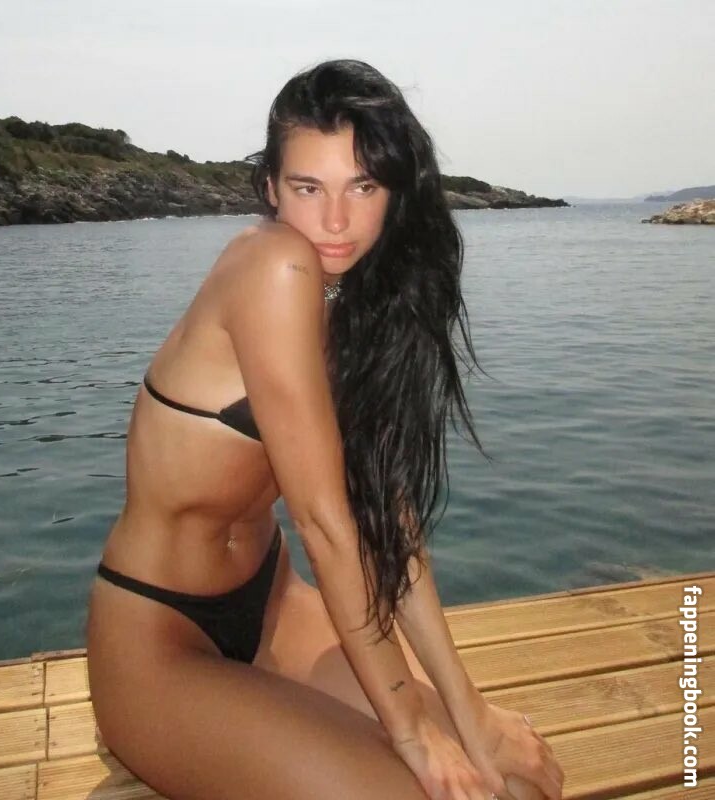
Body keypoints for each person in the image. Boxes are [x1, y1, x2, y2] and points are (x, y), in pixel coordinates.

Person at [86, 58, 565, 800]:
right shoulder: (272, 267)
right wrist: (412, 730)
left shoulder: (353, 303)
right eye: (309, 188)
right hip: (159, 641)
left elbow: (387, 525)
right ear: (271, 189)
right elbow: (324, 524)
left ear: (395, 190)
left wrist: (470, 713)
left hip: (274, 606)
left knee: (514, 783)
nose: (336, 221)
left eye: (362, 187)